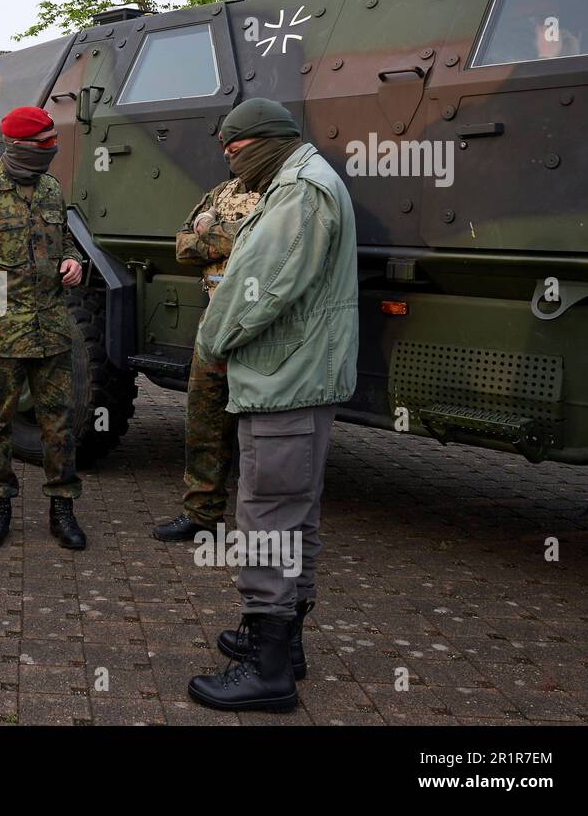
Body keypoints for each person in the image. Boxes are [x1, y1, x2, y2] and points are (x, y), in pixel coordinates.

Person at [187, 98, 358, 713]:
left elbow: (259, 286)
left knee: (269, 516)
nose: (230, 160)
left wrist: (212, 341)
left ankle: (268, 671)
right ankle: (286, 645)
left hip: (285, 378)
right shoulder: (297, 180)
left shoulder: (299, 192)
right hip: (292, 376)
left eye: (235, 148)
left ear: (266, 139)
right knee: (294, 513)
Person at [0, 105, 87, 551]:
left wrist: (73, 261)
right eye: (44, 146)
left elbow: (65, 238)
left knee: (59, 426)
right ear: (20, 147)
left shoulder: (49, 189)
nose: (51, 153)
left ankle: (62, 508)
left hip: (51, 334)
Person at [152, 166, 264, 541]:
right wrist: (219, 234)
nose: (232, 151)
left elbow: (266, 242)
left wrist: (209, 229)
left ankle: (262, 523)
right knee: (204, 421)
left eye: (239, 142)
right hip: (215, 321)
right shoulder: (222, 191)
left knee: (262, 429)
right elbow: (183, 245)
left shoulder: (283, 191)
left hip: (261, 325)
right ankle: (201, 514)